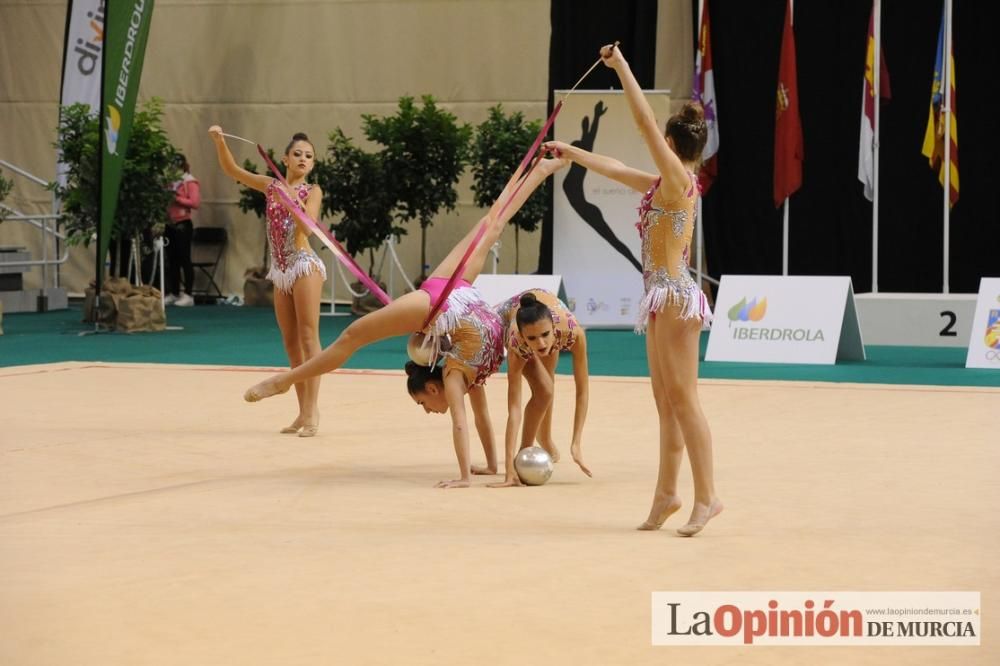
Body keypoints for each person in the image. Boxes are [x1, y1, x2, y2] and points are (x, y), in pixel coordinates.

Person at [242, 153, 568, 487]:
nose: (428, 411)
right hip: (444, 304)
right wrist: (469, 474)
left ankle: (541, 171)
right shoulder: (462, 376)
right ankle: (284, 381)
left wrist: (480, 469)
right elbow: (466, 420)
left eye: (424, 405)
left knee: (492, 223)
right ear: (432, 384)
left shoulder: (469, 373)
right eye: (426, 404)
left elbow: (472, 420)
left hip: (458, 297)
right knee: (353, 336)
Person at [543, 44, 721, 536]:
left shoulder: (677, 181)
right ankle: (667, 494)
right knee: (666, 402)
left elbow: (643, 123)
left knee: (684, 400)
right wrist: (571, 151)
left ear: (670, 142)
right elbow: (616, 170)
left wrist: (622, 66)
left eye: (660, 139)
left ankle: (708, 496)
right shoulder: (668, 183)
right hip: (660, 299)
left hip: (677, 298)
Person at [209, 127, 326, 437]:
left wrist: (291, 201)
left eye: (309, 156)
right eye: (297, 154)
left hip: (303, 265)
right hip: (281, 270)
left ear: (312, 164)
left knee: (307, 336)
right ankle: (302, 412)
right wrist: (219, 140)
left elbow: (309, 227)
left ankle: (313, 411)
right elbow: (232, 169)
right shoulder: (271, 186)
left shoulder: (312, 191)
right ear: (285, 159)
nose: (303, 158)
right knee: (290, 342)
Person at [489, 290, 590, 487]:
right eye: (533, 338)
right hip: (502, 318)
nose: (541, 343)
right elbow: (514, 409)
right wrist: (509, 467)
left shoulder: (573, 332)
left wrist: (576, 442)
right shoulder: (516, 342)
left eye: (545, 335)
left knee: (547, 386)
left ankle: (545, 440)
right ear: (524, 336)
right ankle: (523, 453)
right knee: (544, 390)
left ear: (553, 328)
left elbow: (582, 392)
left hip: (543, 307)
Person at [165, 153, 200, 307]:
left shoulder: (189, 181)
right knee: (171, 259)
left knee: (184, 258)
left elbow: (195, 202)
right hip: (170, 224)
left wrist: (177, 199)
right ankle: (174, 292)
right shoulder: (169, 181)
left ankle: (188, 294)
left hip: (183, 224)